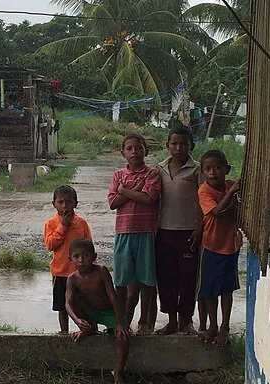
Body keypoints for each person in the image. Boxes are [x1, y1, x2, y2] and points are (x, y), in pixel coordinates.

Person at [107, 133, 161, 335]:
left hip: (146, 232)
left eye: (138, 148)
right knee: (121, 281)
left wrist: (125, 191)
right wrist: (134, 190)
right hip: (124, 232)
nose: (134, 152)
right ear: (123, 152)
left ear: (145, 151)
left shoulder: (152, 173)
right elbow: (112, 203)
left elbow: (148, 198)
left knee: (147, 280)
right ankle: (121, 321)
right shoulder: (118, 174)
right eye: (129, 148)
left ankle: (144, 322)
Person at [154, 126, 203, 336]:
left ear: (191, 146)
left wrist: (200, 227)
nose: (178, 148)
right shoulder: (159, 169)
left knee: (188, 279)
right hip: (164, 231)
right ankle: (171, 321)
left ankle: (187, 321)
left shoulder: (198, 170)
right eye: (174, 143)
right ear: (167, 145)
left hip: (189, 232)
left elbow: (205, 200)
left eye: (184, 144)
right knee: (166, 278)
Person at [65, 237, 129, 384]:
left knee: (123, 338)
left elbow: (113, 297)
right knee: (74, 299)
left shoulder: (101, 271)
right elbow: (68, 303)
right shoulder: (72, 278)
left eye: (86, 256)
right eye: (76, 256)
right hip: (91, 311)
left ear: (94, 257)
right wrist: (77, 320)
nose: (81, 260)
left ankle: (118, 373)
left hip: (109, 312)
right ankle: (89, 328)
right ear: (70, 259)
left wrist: (119, 322)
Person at [198, 150, 241, 347]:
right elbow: (216, 211)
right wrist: (231, 194)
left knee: (227, 289)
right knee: (209, 290)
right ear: (202, 173)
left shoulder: (232, 186)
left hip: (230, 246)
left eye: (217, 168)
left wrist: (233, 192)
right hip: (212, 246)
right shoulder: (204, 191)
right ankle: (213, 325)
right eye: (208, 169)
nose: (213, 172)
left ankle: (224, 326)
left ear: (227, 169)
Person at [44, 185, 92, 333]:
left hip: (79, 272)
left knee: (83, 303)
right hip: (60, 272)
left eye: (69, 202)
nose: (65, 206)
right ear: (54, 204)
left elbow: (89, 245)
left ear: (75, 203)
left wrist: (92, 267)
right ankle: (64, 332)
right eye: (61, 202)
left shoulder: (81, 223)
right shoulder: (51, 223)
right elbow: (50, 244)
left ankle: (87, 329)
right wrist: (62, 227)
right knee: (62, 305)